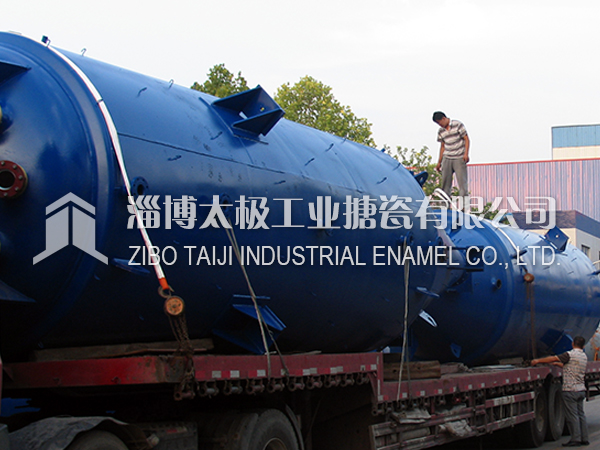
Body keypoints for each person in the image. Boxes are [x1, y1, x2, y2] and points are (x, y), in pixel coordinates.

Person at [531, 336, 589, 447]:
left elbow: (553, 358)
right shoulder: (583, 356)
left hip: (570, 390)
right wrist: (558, 364)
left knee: (572, 416)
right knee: (581, 415)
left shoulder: (569, 355)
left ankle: (576, 439)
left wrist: (537, 360)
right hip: (581, 390)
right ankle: (584, 438)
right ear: (583, 346)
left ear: (573, 344)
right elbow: (570, 366)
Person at [432, 111, 470, 206]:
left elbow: (466, 139)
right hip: (447, 157)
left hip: (459, 157)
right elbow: (442, 146)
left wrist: (466, 154)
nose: (440, 125)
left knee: (462, 184)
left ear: (444, 118)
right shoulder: (441, 131)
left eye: (440, 122)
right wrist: (439, 162)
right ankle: (445, 206)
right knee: (445, 184)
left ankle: (464, 206)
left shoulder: (457, 125)